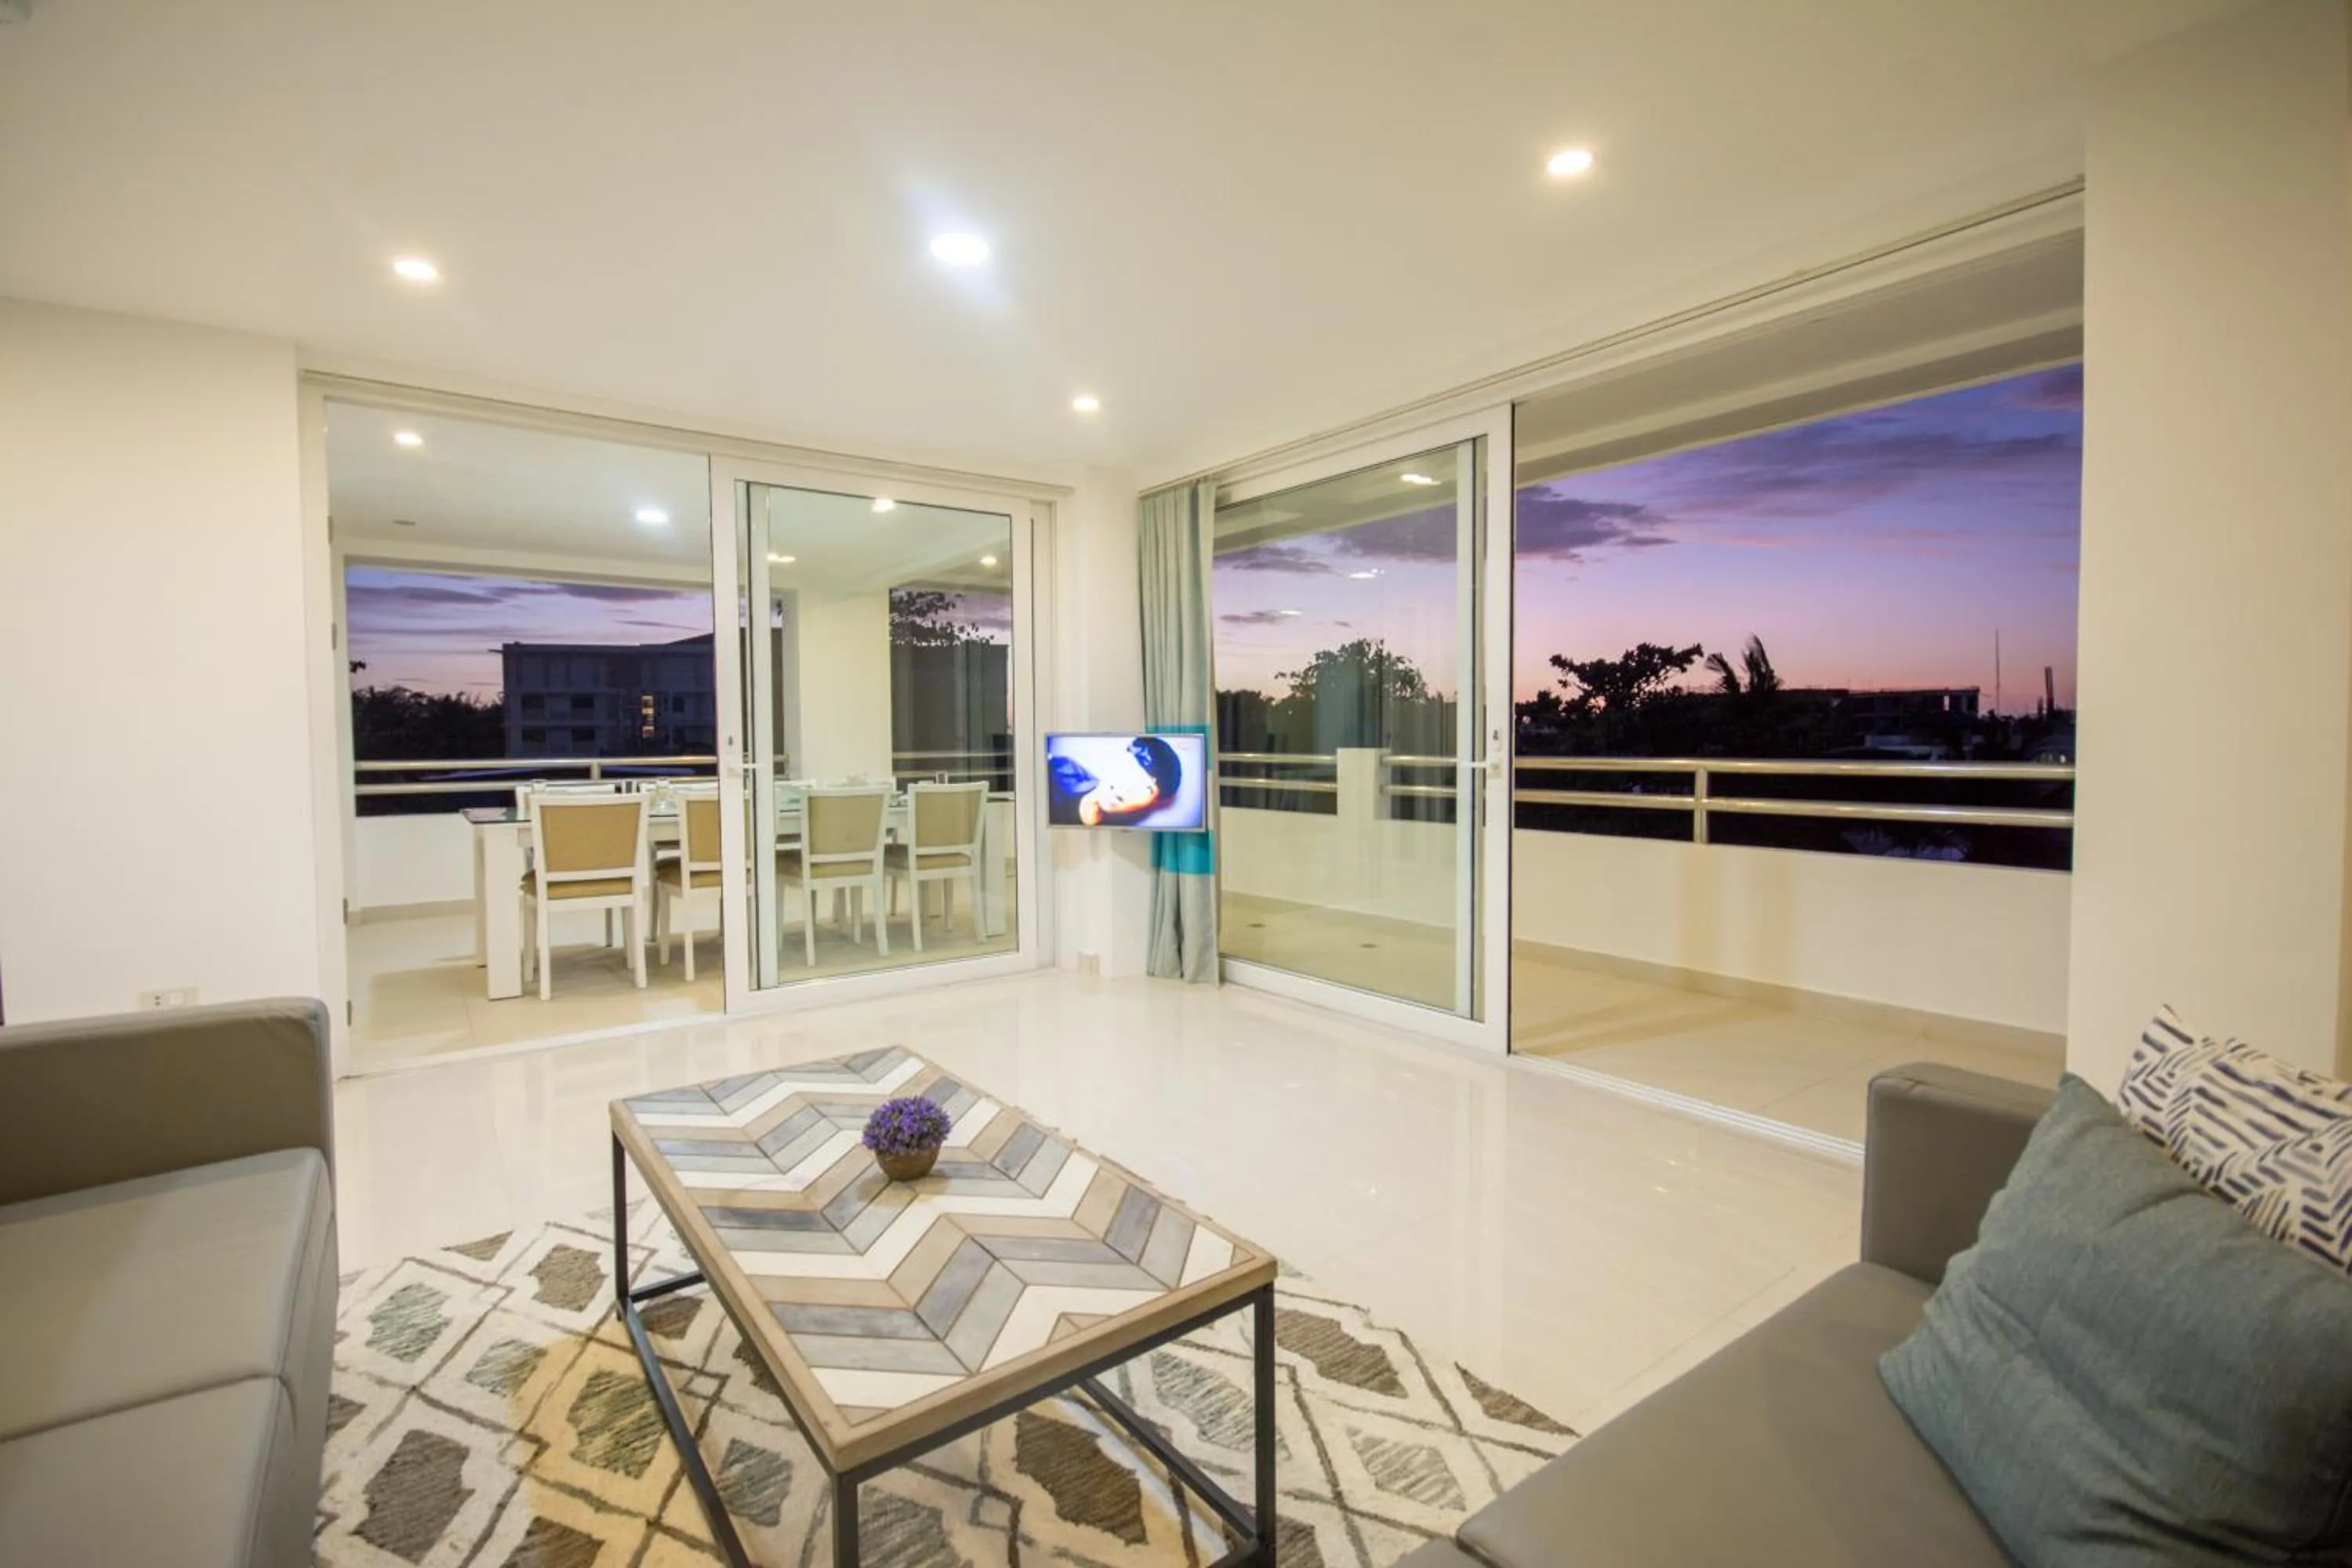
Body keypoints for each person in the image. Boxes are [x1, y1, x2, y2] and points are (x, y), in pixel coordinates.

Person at [1050, 735, 1186, 826]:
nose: (1130, 788)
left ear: (1153, 802)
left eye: (1148, 789)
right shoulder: (1059, 770)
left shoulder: (1121, 835)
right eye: (1132, 769)